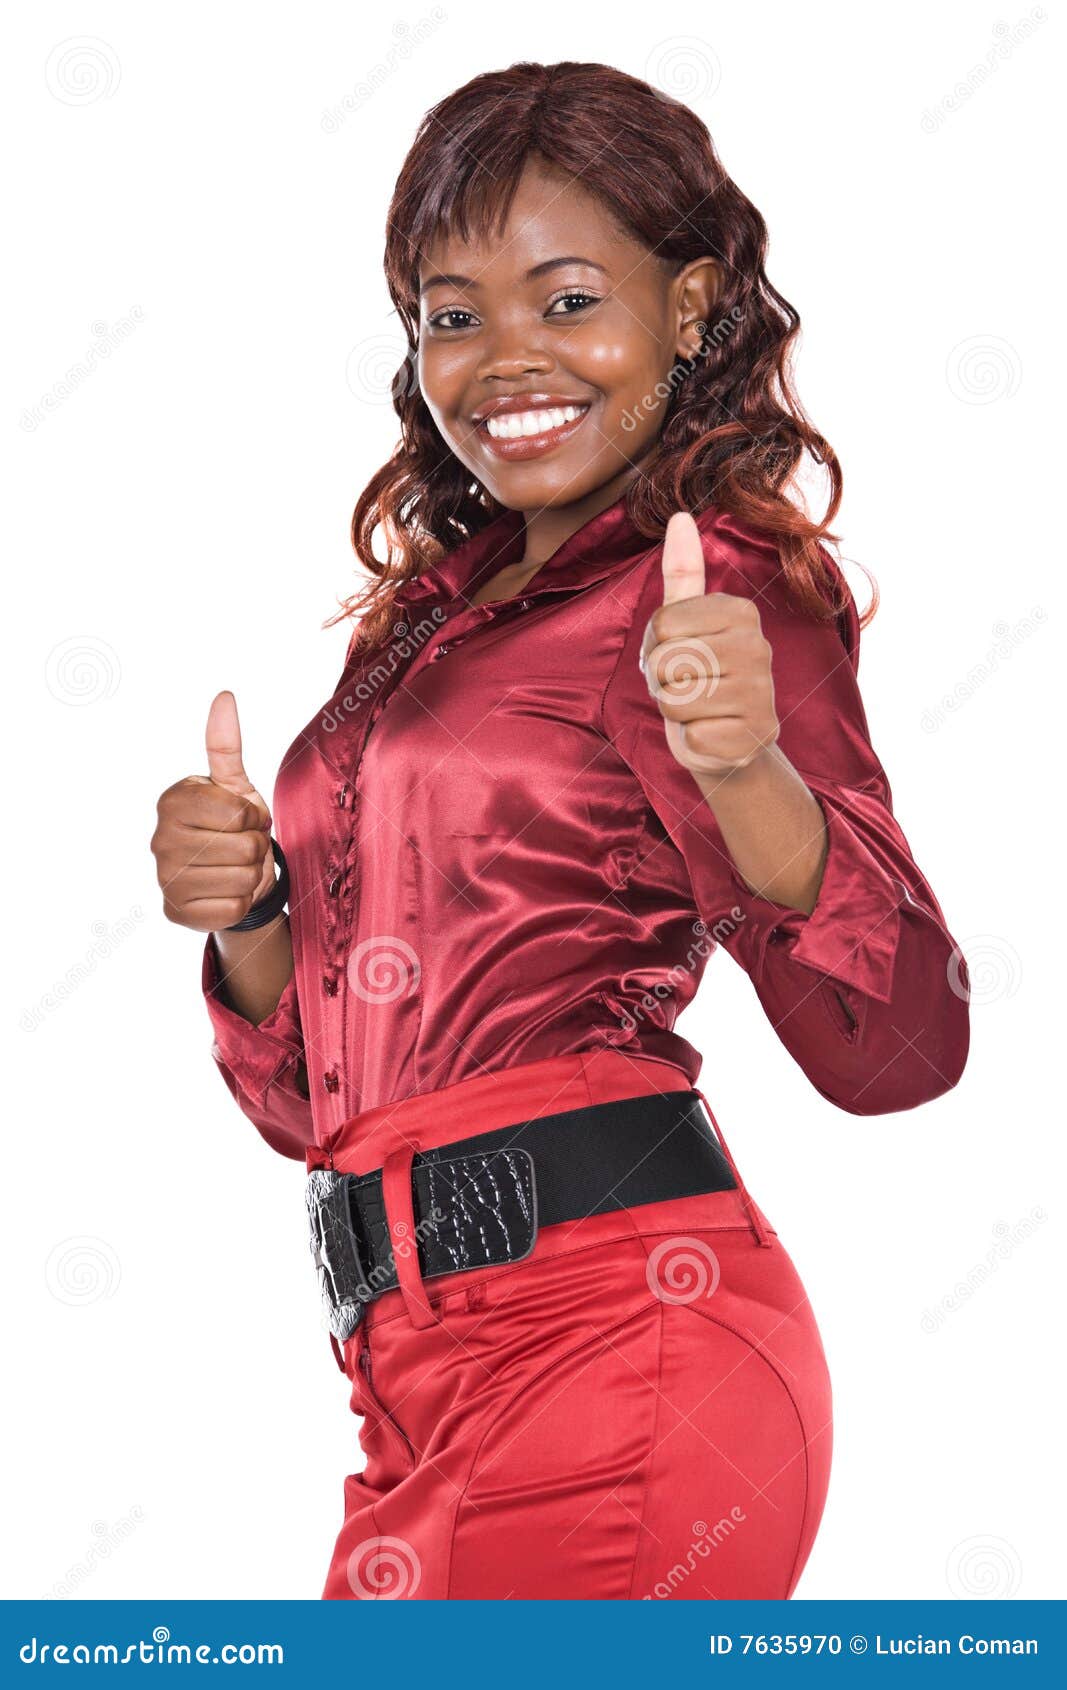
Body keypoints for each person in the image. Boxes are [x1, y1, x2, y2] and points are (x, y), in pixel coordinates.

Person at [150, 61, 970, 1601]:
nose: (502, 358)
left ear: (691, 303)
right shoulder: (431, 623)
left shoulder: (710, 582)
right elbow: (317, 1103)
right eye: (453, 315)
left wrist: (747, 775)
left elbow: (905, 1040)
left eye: (566, 295)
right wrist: (250, 913)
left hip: (617, 1345)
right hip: (407, 1381)